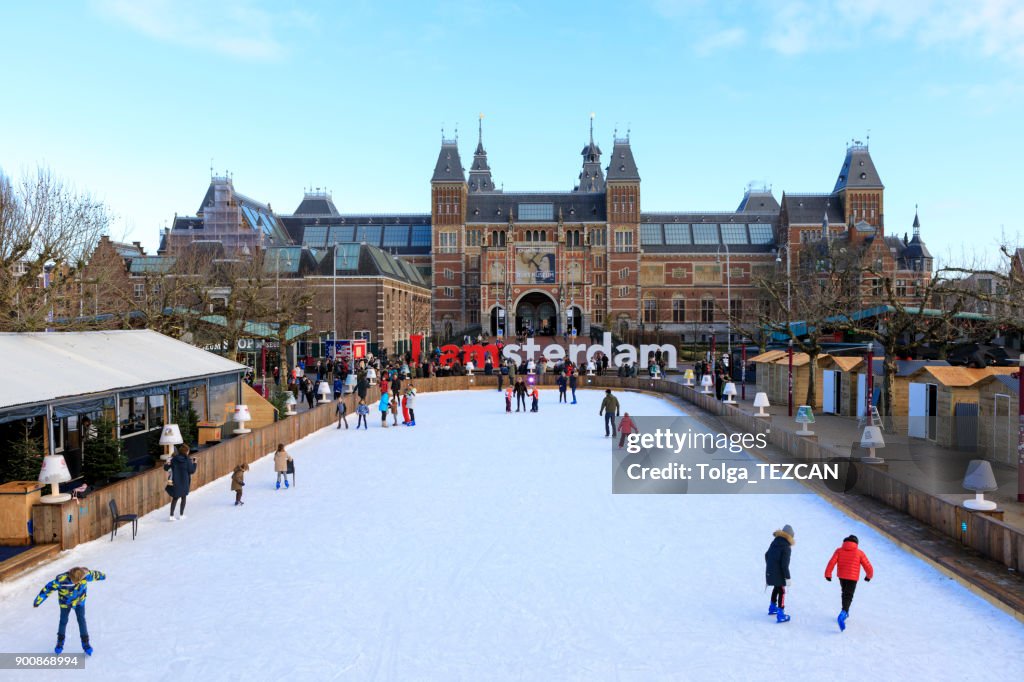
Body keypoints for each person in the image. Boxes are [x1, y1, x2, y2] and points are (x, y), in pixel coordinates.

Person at [33, 566, 106, 655]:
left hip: (79, 602)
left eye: (80, 580)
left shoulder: (85, 575)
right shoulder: (61, 581)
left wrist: (103, 576)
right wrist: (38, 601)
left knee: (81, 621)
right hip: (65, 603)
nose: (78, 582)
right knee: (63, 621)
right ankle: (60, 643)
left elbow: (95, 574)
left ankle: (86, 643)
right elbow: (47, 589)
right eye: (76, 581)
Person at [825, 534, 874, 631]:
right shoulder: (859, 553)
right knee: (848, 595)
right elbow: (868, 566)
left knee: (845, 593)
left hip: (842, 576)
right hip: (852, 577)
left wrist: (828, 574)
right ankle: (844, 613)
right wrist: (868, 576)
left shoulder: (839, 550)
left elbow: (831, 562)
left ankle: (845, 611)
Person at [765, 524, 795, 623]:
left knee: (776, 587)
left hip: (770, 571)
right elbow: (784, 565)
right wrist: (788, 578)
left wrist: (771, 566)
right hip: (779, 572)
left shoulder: (775, 542)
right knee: (782, 590)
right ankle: (781, 614)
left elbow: (766, 555)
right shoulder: (786, 547)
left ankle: (772, 607)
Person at [164, 443, 196, 521]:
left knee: (175, 498)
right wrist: (195, 463)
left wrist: (168, 462)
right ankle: (181, 515)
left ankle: (171, 515)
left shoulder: (174, 459)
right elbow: (192, 471)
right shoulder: (187, 460)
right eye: (188, 451)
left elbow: (166, 468)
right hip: (184, 481)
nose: (188, 452)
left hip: (176, 481)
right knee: (183, 497)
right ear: (186, 451)